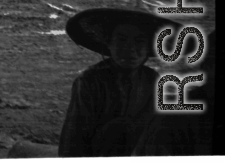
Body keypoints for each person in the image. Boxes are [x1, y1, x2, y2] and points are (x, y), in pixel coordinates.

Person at [59, 8, 177, 157]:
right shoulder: (89, 81)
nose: (130, 49)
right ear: (109, 43)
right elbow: (73, 140)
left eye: (139, 41)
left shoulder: (152, 80)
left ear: (149, 47)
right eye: (121, 40)